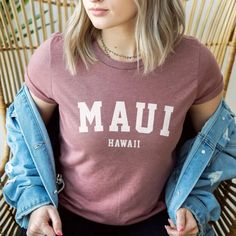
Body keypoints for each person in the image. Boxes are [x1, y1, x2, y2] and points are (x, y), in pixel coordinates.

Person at [3, 0, 231, 235]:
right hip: (65, 220)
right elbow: (25, 140)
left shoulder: (194, 63)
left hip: (161, 221)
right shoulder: (55, 57)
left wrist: (194, 206)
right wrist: (36, 203)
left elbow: (218, 146)